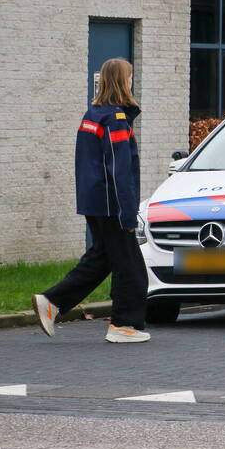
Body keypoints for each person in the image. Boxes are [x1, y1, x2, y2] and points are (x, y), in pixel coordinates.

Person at [31, 58, 150, 343]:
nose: (133, 81)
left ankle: (53, 302)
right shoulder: (115, 119)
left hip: (94, 201)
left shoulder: (92, 115)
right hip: (112, 205)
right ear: (123, 81)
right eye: (130, 77)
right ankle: (124, 326)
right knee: (131, 268)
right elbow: (120, 171)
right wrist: (127, 214)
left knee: (103, 258)